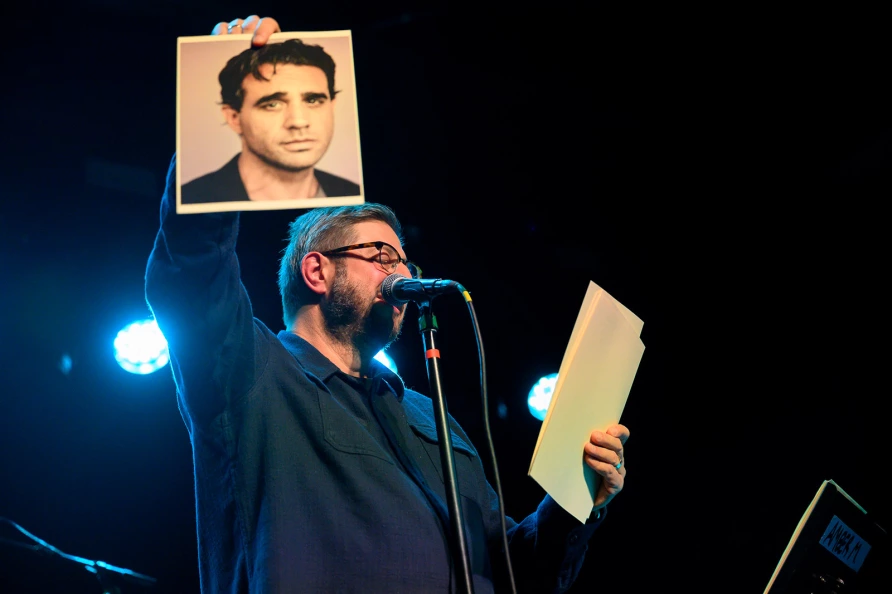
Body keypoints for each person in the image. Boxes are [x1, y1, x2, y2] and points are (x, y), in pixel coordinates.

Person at [146, 14, 630, 594]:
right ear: (316, 270)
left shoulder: (433, 420)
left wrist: (577, 500)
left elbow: (514, 571)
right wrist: (215, 120)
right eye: (380, 253)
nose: (401, 272)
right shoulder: (252, 374)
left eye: (406, 261)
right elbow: (191, 271)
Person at [182, 19, 361, 204]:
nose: (298, 121)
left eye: (313, 100)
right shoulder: (195, 199)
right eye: (272, 104)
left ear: (332, 105)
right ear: (234, 118)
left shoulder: (351, 194)